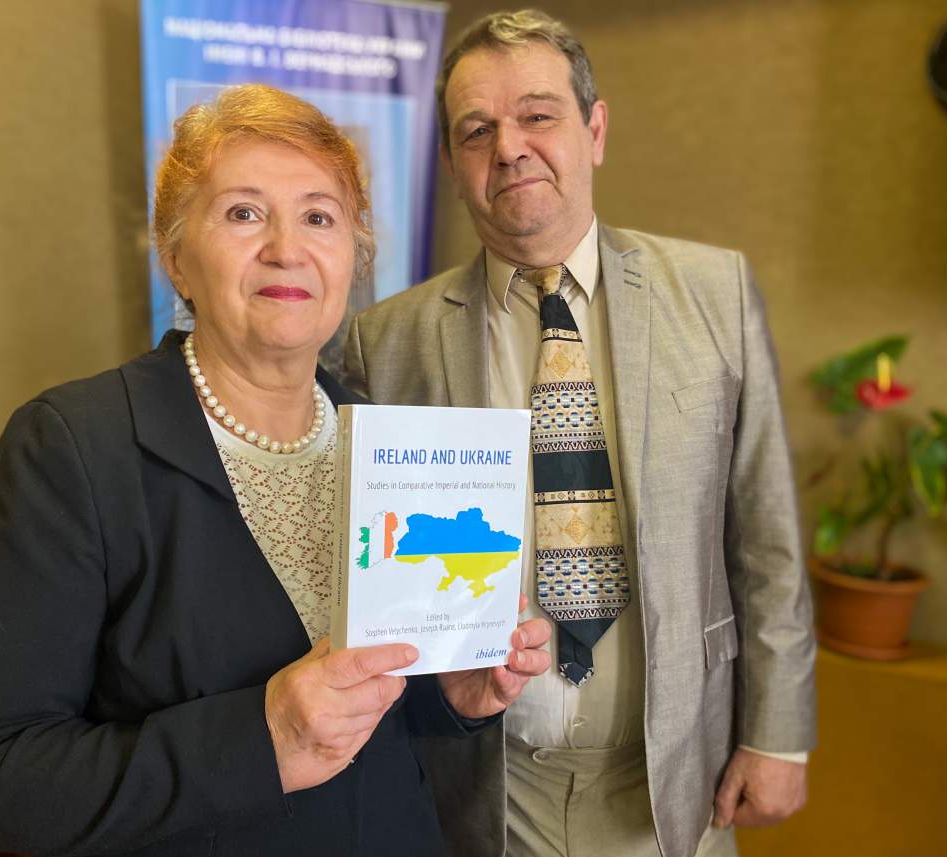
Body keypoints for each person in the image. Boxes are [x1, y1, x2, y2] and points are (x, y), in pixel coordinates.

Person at [0, 83, 551, 857]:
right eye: (245, 213)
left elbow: (367, 703)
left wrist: (454, 695)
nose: (287, 247)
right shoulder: (74, 447)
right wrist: (262, 737)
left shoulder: (384, 442)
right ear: (176, 258)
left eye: (319, 216)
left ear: (352, 258)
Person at [345, 10, 816, 857]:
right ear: (452, 163)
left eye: (538, 115)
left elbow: (767, 535)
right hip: (487, 790)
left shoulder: (714, 293)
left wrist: (778, 734)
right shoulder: (386, 342)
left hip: (676, 779)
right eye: (477, 131)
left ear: (594, 131)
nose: (509, 148)